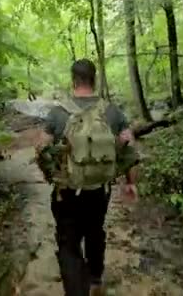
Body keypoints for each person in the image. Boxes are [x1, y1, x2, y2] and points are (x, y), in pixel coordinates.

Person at [35, 58, 139, 296]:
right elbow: (130, 148)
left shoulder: (58, 113)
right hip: (99, 191)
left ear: (73, 80)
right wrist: (131, 183)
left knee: (68, 243)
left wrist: (51, 176)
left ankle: (76, 291)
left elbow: (40, 148)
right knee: (95, 231)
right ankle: (95, 279)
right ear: (95, 79)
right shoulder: (111, 111)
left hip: (67, 192)